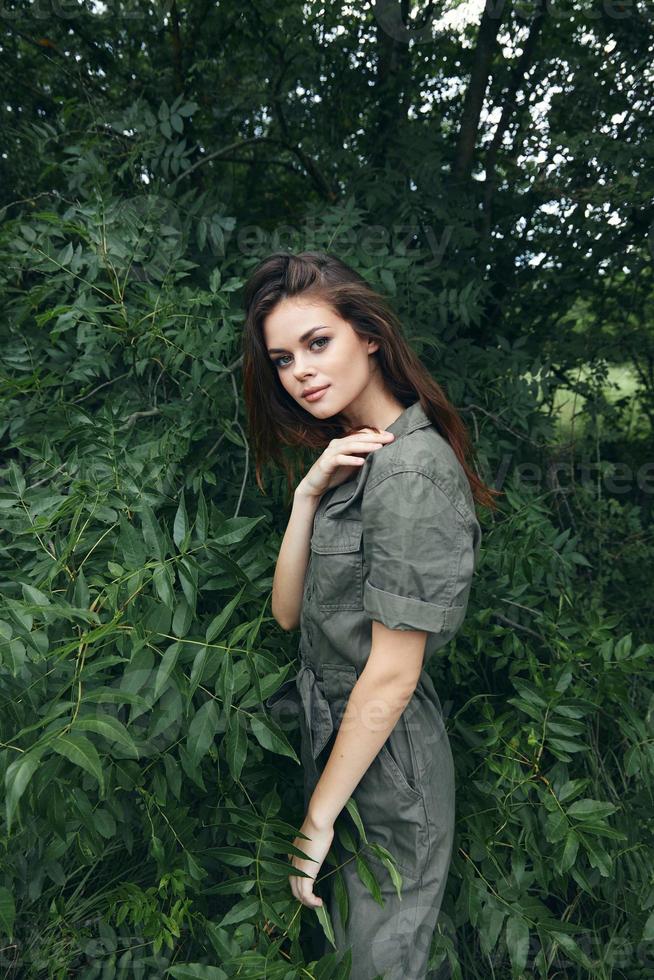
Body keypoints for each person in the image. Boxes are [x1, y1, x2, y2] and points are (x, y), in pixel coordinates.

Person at [241, 250, 499, 979]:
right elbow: (289, 616)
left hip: (386, 767)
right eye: (284, 357)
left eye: (318, 343)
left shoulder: (412, 474)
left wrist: (320, 819)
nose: (300, 372)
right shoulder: (359, 459)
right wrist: (306, 496)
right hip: (338, 745)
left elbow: (389, 676)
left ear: (370, 336)